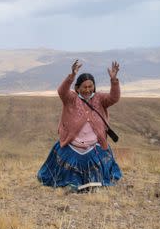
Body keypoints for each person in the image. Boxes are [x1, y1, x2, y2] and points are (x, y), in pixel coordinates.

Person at [37, 60, 123, 191]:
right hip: (73, 143)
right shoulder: (71, 98)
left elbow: (114, 98)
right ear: (77, 88)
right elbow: (62, 91)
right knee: (67, 166)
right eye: (84, 87)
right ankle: (71, 184)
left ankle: (94, 183)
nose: (88, 90)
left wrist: (114, 80)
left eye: (90, 86)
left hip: (94, 144)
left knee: (97, 160)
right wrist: (71, 76)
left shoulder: (100, 98)